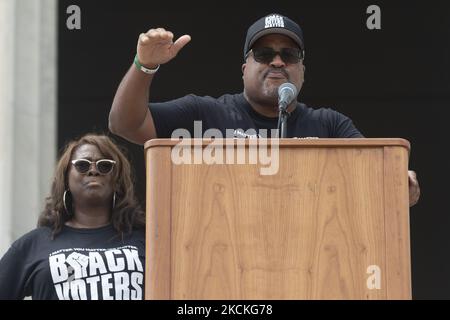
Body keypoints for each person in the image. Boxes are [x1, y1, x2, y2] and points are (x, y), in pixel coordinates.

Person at [108, 13, 420, 206]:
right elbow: (126, 124)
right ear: (245, 68)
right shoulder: (203, 114)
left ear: (302, 70)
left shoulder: (329, 125)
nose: (277, 61)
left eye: (289, 54)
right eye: (264, 53)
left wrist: (397, 181)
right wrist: (144, 65)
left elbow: (377, 179)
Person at [0, 134, 146, 300]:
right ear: (66, 179)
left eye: (104, 166)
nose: (93, 170)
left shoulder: (145, 240)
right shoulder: (34, 244)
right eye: (82, 165)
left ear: (117, 180)